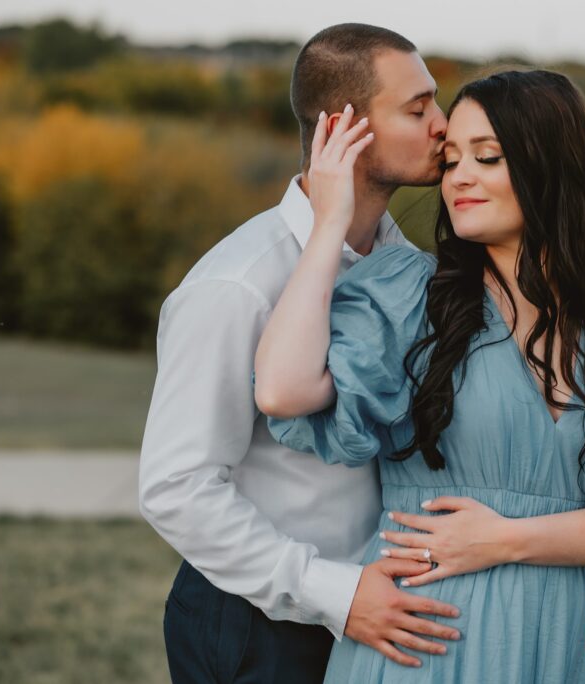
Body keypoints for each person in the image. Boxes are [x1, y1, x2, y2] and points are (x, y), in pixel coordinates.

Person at [254, 69, 585, 682]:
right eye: (450, 162)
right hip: (423, 638)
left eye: (487, 157)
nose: (459, 178)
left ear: (552, 168)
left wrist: (507, 541)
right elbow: (282, 390)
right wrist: (330, 221)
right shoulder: (411, 297)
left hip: (551, 640)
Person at [138, 24, 463, 683]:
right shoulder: (237, 285)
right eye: (419, 107)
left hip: (381, 614)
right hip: (262, 627)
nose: (444, 126)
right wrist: (336, 594)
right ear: (346, 130)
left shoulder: (407, 269)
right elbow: (176, 488)